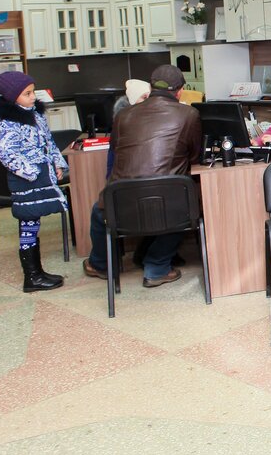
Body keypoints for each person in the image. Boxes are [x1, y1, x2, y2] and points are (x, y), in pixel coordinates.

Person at [82, 65, 201, 288]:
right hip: (169, 203)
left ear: (151, 87)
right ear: (180, 92)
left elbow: (116, 150)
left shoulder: (123, 115)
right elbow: (195, 155)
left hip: (121, 202)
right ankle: (157, 267)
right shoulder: (189, 114)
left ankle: (101, 265)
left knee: (100, 211)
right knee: (187, 205)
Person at [0, 71, 67, 292]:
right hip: (27, 180)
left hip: (41, 174)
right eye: (27, 94)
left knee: (33, 222)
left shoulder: (35, 115)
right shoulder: (9, 122)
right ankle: (32, 277)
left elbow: (49, 142)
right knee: (29, 222)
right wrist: (32, 172)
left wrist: (57, 164)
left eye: (32, 92)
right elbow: (6, 153)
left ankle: (37, 272)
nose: (33, 97)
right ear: (12, 97)